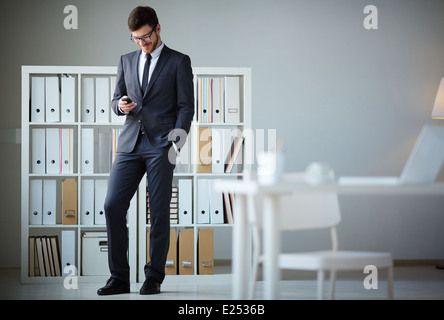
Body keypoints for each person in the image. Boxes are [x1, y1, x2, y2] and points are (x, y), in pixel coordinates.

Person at [97, 6, 194, 295]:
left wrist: (176, 142)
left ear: (158, 28)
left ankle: (154, 277)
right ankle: (119, 278)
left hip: (162, 145)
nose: (142, 43)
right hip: (129, 143)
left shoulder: (178, 62)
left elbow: (186, 107)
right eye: (136, 39)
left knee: (160, 212)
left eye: (146, 36)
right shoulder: (126, 60)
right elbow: (116, 99)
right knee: (112, 205)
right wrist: (120, 105)